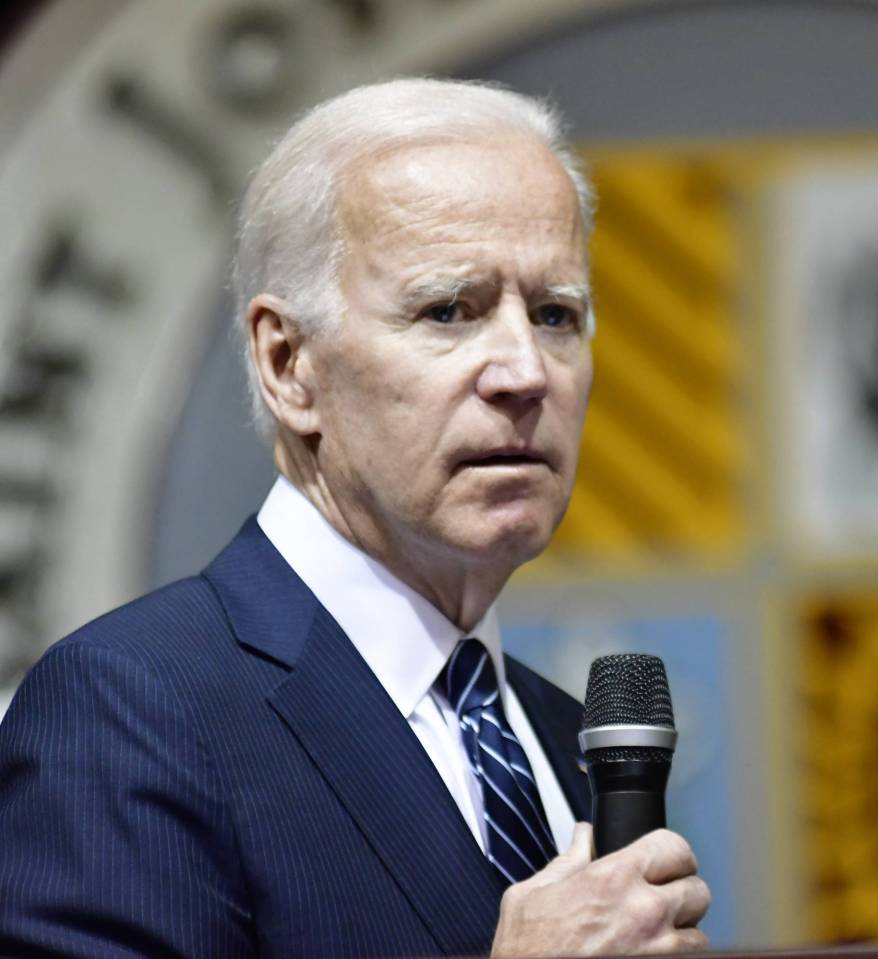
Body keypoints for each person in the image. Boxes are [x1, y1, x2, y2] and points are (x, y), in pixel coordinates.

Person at [0, 77, 710, 958]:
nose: (525, 372)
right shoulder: (129, 711)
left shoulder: (569, 739)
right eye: (450, 310)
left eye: (557, 314)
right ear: (287, 362)